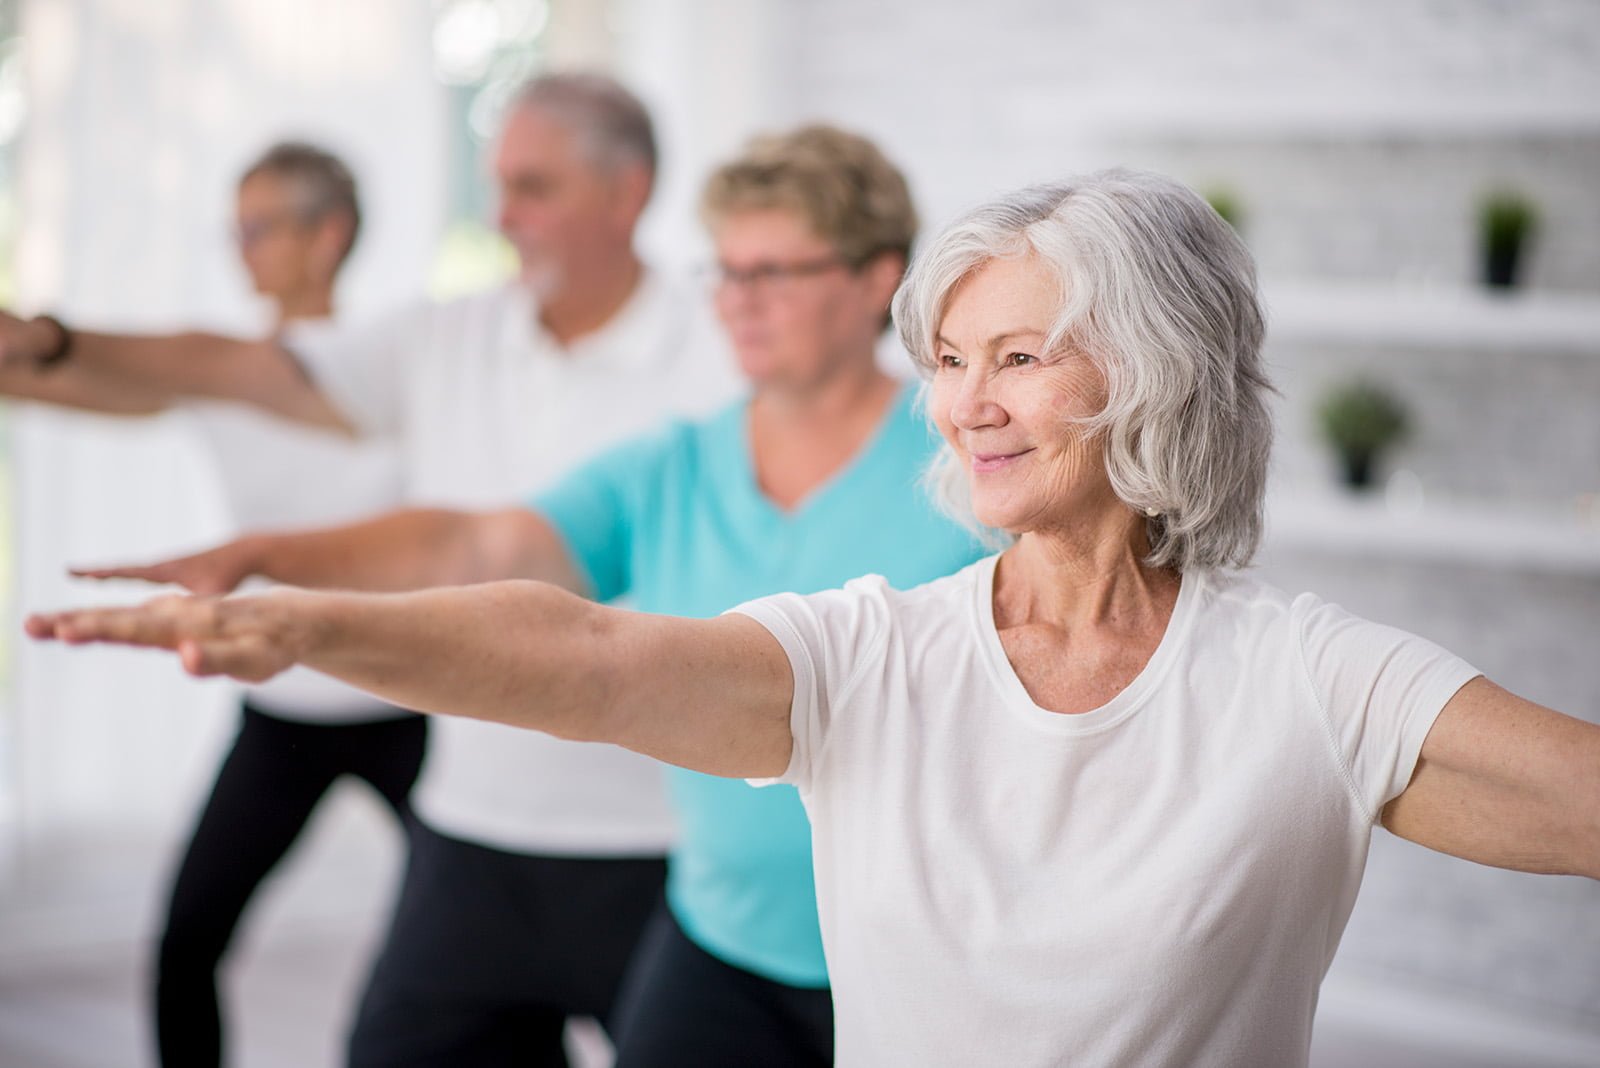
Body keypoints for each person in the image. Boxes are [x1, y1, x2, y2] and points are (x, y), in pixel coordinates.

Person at [28, 168, 1600, 1068]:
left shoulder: (1310, 682)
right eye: (953, 359)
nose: (970, 406)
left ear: (1159, 370)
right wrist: (315, 624)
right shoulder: (873, 655)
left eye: (1022, 357)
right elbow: (583, 652)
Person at [60, 125, 987, 1066]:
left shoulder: (966, 468)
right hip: (724, 942)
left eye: (775, 274)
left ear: (876, 279)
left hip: (914, 955)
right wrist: (266, 562)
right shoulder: (674, 464)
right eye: (726, 272)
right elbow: (479, 540)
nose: (739, 304)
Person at [4, 73, 735, 1064]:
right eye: (496, 184)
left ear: (627, 191)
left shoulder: (727, 344)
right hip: (469, 833)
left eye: (533, 187)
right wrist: (53, 341)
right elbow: (234, 368)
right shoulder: (446, 334)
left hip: (658, 843)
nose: (501, 216)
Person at [0, 140, 424, 1068]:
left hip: (408, 707)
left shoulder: (388, 361)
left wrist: (43, 334)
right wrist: (26, 351)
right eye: (235, 228)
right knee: (188, 941)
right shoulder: (213, 374)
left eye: (260, 227)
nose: (242, 248)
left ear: (330, 235)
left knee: (478, 948)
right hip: (283, 708)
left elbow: (206, 361)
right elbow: (59, 379)